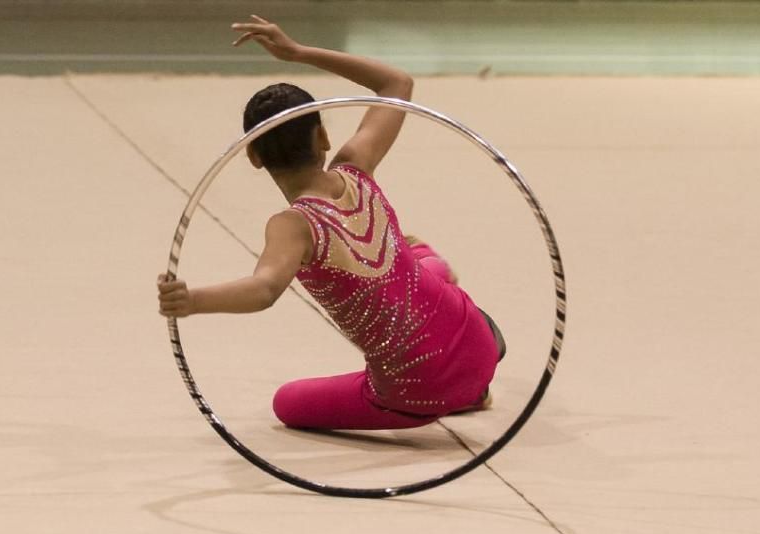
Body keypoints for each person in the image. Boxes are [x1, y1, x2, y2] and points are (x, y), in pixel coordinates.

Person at [158, 15, 505, 430]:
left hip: (416, 390)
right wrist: (298, 53)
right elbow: (397, 84)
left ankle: (456, 385)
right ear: (322, 137)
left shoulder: (293, 225)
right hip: (476, 342)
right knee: (410, 262)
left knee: (287, 403)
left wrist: (194, 301)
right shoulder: (356, 166)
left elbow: (265, 288)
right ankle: (467, 362)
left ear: (253, 157)